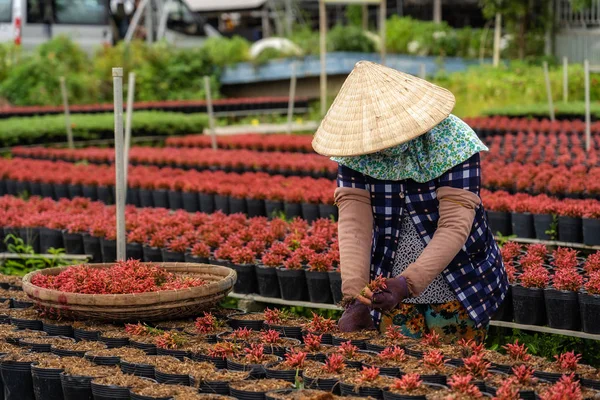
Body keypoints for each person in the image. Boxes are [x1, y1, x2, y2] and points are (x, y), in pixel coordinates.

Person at [312, 61, 508, 343]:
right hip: (389, 278)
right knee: (401, 369)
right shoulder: (355, 148)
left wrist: (408, 283)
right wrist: (355, 297)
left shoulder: (455, 143)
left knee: (453, 369)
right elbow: (355, 223)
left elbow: (454, 225)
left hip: (457, 276)